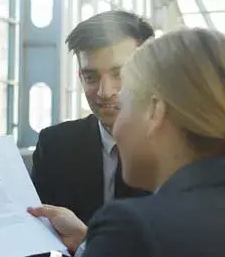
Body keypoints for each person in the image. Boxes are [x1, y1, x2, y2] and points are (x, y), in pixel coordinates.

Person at [29, 27, 225, 256]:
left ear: (155, 112)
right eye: (91, 77)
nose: (105, 94)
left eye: (125, 105)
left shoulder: (132, 226)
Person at [30, 11, 152, 223]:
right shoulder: (55, 146)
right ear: (80, 77)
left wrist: (85, 242)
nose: (105, 91)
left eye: (119, 74)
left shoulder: (179, 152)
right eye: (91, 77)